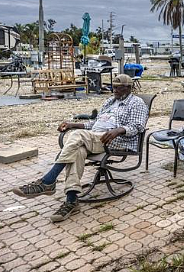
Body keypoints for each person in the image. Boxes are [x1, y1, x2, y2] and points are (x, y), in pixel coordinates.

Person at [12, 74, 148, 222]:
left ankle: (47, 181)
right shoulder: (110, 101)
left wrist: (118, 130)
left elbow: (138, 126)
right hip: (93, 138)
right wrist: (72, 124)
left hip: (115, 141)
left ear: (128, 88)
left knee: (77, 136)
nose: (114, 90)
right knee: (77, 150)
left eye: (118, 87)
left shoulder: (137, 103)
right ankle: (71, 200)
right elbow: (94, 123)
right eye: (113, 87)